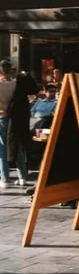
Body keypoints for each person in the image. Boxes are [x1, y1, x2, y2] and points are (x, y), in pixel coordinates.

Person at [6, 66, 37, 188]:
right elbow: (34, 89)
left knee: (11, 143)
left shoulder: (9, 82)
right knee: (20, 143)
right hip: (20, 113)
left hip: (11, 114)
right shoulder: (19, 81)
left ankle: (7, 173)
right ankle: (22, 175)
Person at [0, 60, 16, 189]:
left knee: (2, 148)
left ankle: (5, 178)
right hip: (14, 117)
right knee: (17, 145)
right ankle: (22, 176)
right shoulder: (16, 83)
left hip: (1, 116)